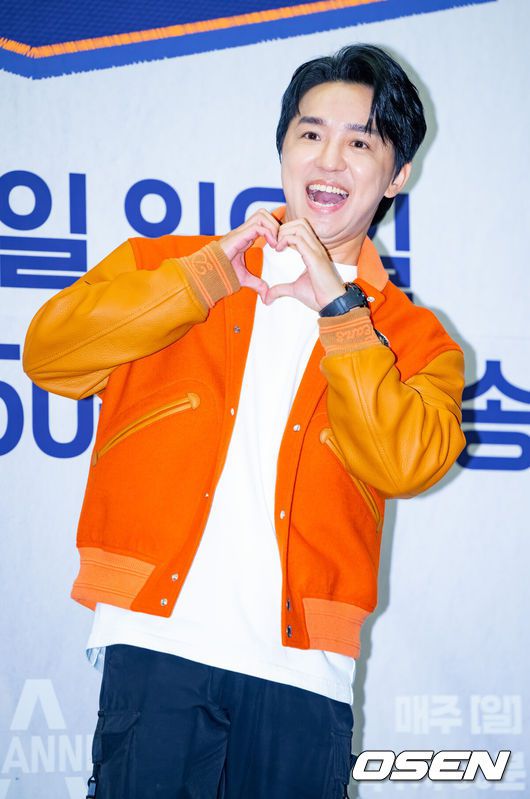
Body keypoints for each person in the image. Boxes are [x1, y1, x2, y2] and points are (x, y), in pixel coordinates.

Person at [22, 43, 465, 799]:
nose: (329, 159)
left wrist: (341, 314)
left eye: (360, 142)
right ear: (283, 146)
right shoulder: (171, 265)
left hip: (305, 673)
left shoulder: (417, 339)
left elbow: (405, 463)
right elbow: (49, 356)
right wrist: (202, 278)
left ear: (397, 175)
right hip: (157, 643)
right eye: (310, 133)